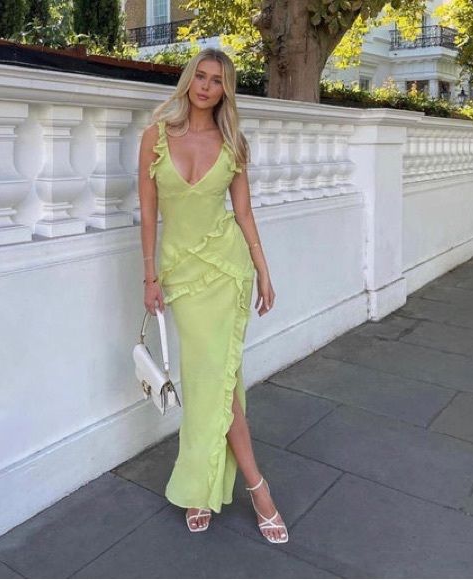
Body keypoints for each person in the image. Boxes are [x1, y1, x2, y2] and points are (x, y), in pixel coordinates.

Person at [137, 47, 287, 544]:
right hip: (181, 275)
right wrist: (149, 278)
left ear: (226, 89)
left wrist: (263, 270)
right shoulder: (155, 137)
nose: (205, 86)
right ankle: (251, 488)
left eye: (216, 80)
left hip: (227, 270)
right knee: (214, 382)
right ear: (188, 80)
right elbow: (149, 213)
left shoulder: (234, 144)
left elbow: (243, 213)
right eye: (200, 76)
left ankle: (232, 488)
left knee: (215, 381)